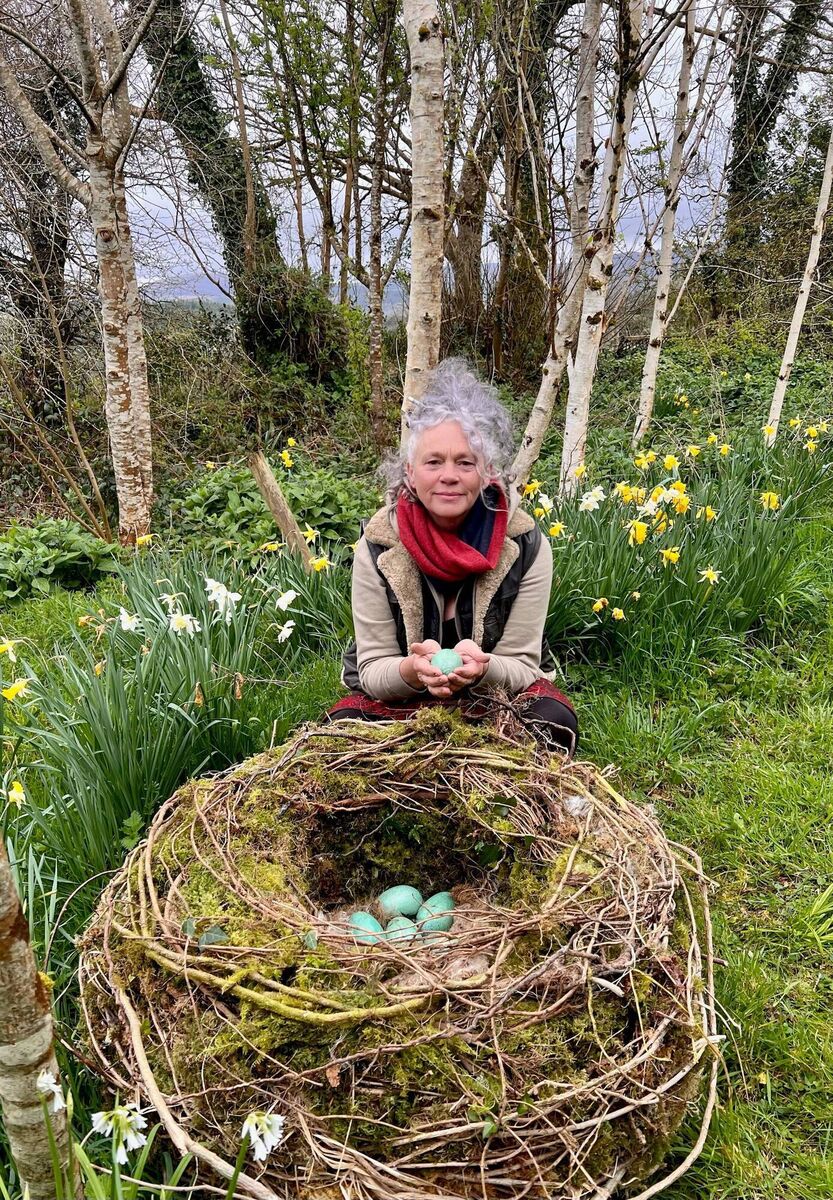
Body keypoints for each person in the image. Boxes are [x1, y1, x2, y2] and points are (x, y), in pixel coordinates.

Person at [327, 359, 578, 754]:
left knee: (553, 723)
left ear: (487, 472)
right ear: (410, 472)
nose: (449, 475)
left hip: (494, 695)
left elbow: (522, 665)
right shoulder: (377, 547)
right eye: (433, 462)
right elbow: (373, 670)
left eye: (465, 462)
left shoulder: (526, 546)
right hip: (401, 697)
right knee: (343, 733)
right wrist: (412, 671)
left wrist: (482, 669)